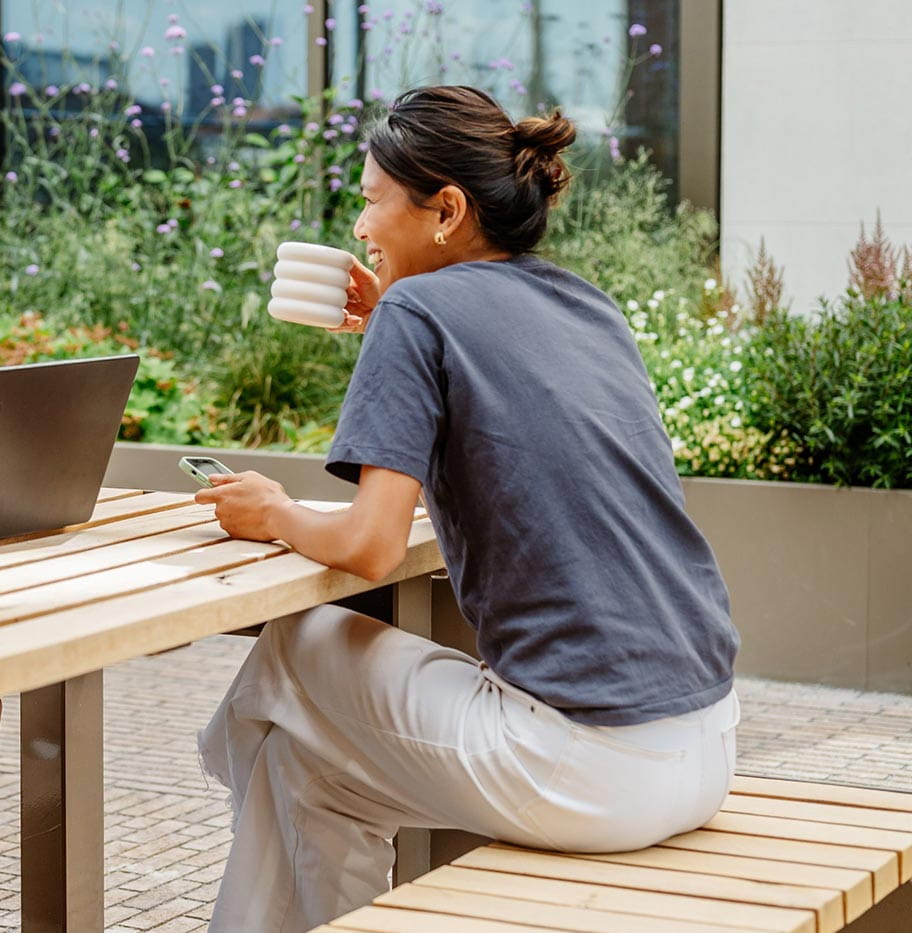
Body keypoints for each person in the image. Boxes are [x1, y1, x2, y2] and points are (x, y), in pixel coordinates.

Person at [193, 85, 741, 932]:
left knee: (298, 648)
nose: (361, 229)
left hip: (589, 763)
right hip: (707, 741)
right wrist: (394, 330)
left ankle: (227, 757)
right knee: (309, 769)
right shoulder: (586, 305)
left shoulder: (417, 311)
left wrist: (271, 512)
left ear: (444, 210)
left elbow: (370, 546)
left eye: (372, 202)